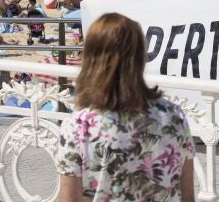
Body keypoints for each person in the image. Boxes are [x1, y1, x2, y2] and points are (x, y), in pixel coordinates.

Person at [55, 13, 195, 201]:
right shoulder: (174, 116)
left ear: (92, 59)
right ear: (140, 58)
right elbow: (188, 197)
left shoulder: (78, 128)